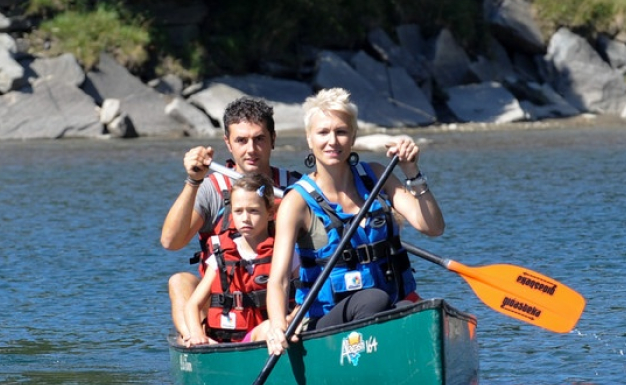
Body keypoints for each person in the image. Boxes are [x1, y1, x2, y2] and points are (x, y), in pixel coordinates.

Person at [263, 87, 445, 356]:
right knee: (374, 298)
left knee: (418, 311)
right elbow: (278, 280)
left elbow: (432, 227)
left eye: (341, 132)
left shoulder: (376, 177)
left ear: (353, 137)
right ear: (309, 139)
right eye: (323, 132)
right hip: (324, 323)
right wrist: (277, 326)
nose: (332, 141)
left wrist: (412, 171)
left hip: (384, 310)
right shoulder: (297, 202)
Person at [161, 97, 301, 343]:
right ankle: (197, 340)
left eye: (259, 139)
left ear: (273, 139)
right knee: (180, 282)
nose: (251, 149)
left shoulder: (295, 188)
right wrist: (193, 181)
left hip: (280, 304)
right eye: (241, 140)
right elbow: (171, 242)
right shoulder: (211, 189)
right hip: (227, 305)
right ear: (228, 143)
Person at [182, 173, 291, 346]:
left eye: (253, 211)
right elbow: (192, 305)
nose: (245, 218)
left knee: (271, 326)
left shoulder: (284, 251)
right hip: (228, 342)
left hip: (272, 334)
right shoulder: (220, 254)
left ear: (270, 213)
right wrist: (196, 334)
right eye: (238, 211)